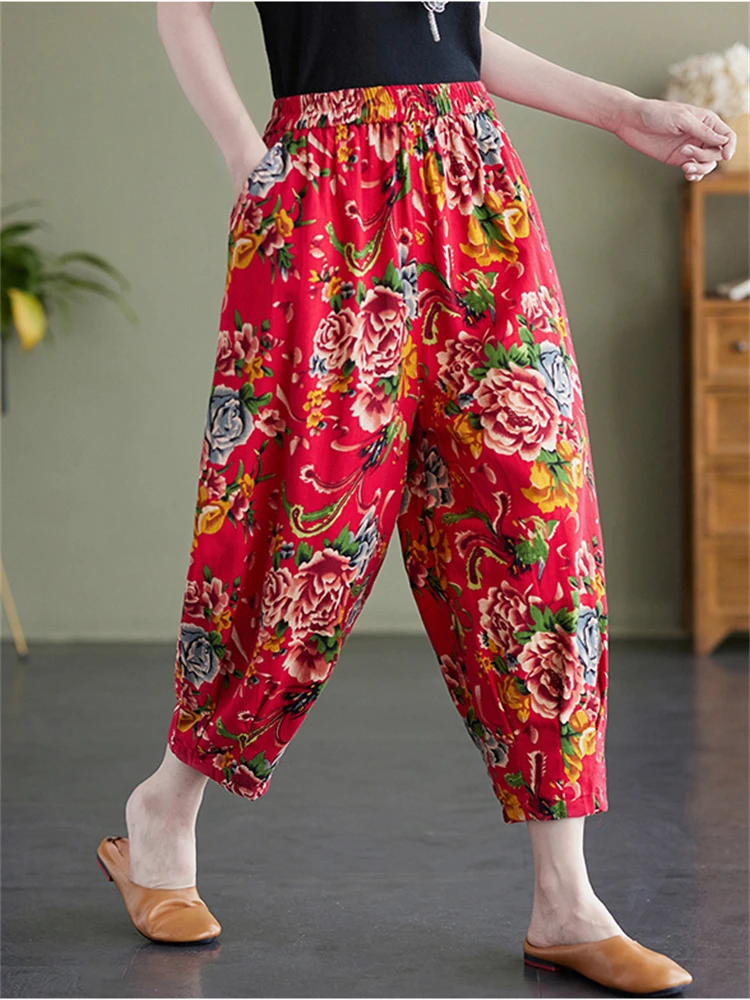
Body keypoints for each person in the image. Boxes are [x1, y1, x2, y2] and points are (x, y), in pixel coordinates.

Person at [96, 1, 735, 993]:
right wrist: (243, 156)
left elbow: (452, 34)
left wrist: (621, 111)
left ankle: (565, 898)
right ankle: (164, 811)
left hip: (475, 182)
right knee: (300, 532)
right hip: (322, 190)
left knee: (538, 525)